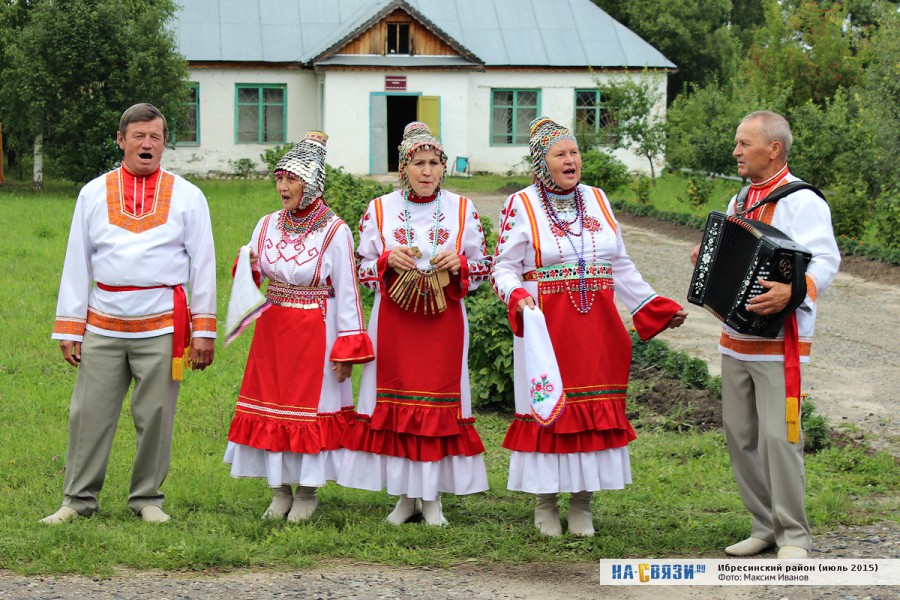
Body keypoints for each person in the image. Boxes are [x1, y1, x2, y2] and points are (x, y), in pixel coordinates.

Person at [491, 116, 687, 537]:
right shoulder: (520, 204)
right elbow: (502, 268)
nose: (570, 160)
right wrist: (517, 296)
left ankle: (582, 503)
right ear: (542, 163)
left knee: (592, 413)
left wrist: (653, 305)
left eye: (575, 152)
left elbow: (619, 264)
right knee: (550, 409)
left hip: (598, 326)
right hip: (546, 326)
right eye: (560, 153)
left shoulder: (597, 199)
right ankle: (546, 502)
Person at [43, 103, 217, 524]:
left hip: (162, 323)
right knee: (87, 412)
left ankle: (146, 499)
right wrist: (70, 326)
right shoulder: (92, 192)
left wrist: (204, 330)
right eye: (138, 135)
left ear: (163, 144)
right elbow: (76, 261)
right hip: (103, 319)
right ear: (121, 140)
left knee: (156, 414)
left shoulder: (188, 196)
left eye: (155, 136)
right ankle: (77, 500)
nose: (147, 143)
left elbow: (204, 263)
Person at [690, 111, 840, 559]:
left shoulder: (803, 201)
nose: (735, 151)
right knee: (740, 435)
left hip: (780, 342)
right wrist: (708, 257)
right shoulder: (740, 200)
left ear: (773, 149)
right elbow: (732, 254)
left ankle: (793, 535)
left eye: (744, 143)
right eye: (736, 143)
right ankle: (764, 526)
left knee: (780, 438)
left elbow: (826, 260)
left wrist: (793, 291)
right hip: (734, 339)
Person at [337, 122, 491, 526]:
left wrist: (460, 263)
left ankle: (433, 498)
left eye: (434, 163)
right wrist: (387, 262)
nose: (427, 171)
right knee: (399, 403)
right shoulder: (379, 208)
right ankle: (406, 497)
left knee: (438, 404)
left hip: (443, 323)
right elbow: (360, 269)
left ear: (444, 167)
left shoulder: (462, 209)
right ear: (403, 168)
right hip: (395, 322)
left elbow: (483, 267)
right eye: (418, 163)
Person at [223, 131, 374, 522]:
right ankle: (279, 490)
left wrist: (347, 349)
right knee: (273, 409)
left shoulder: (334, 230)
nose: (283, 186)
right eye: (279, 177)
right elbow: (253, 273)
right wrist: (248, 263)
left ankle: (306, 492)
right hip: (273, 330)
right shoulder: (267, 223)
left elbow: (348, 291)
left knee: (309, 411)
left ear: (311, 183)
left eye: (291, 178)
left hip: (315, 330)